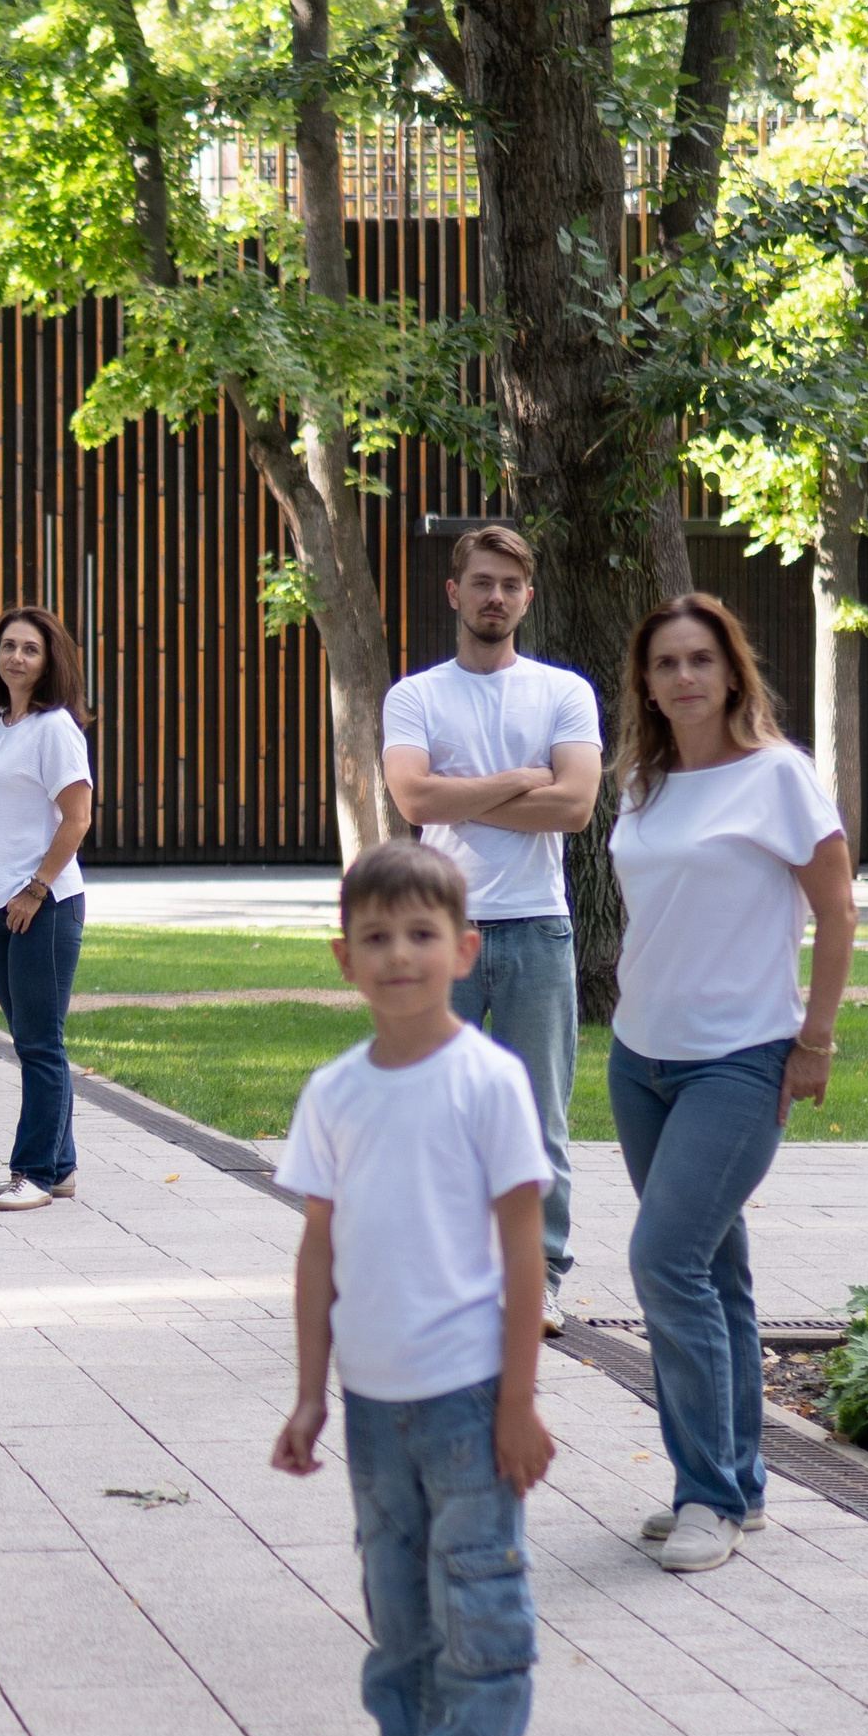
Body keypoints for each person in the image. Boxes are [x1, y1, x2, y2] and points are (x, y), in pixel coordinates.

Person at [271, 840, 555, 1736]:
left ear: (465, 948)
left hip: (469, 1401)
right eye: (377, 937)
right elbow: (317, 1249)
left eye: (421, 934)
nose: (399, 955)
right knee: (397, 1613)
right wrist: (309, 1391)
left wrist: (518, 1401)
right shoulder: (334, 1091)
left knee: (477, 1607)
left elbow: (523, 1245)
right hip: (372, 1404)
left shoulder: (488, 1079)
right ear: (344, 957)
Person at [607, 594, 854, 1572]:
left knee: (664, 1259)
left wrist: (816, 1039)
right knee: (715, 1272)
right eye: (664, 662)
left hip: (741, 1057)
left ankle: (703, 1492)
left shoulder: (778, 777)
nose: (682, 677)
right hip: (640, 1058)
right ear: (647, 682)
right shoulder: (642, 781)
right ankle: (738, 1484)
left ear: (731, 668)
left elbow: (835, 912)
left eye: (699, 658)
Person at [381, 524, 601, 1332]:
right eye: (481, 582)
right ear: (455, 592)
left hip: (538, 929)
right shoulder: (416, 696)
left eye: (510, 585)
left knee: (537, 1114)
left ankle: (535, 1278)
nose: (495, 597)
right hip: (441, 932)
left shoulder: (563, 692)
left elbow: (574, 806)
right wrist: (516, 781)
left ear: (527, 598)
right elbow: (413, 801)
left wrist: (459, 790)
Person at [0, 605, 94, 1212]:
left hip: (44, 904)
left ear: (50, 660)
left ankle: (34, 1173)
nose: (16, 657)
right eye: (8, 646)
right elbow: (1, 816)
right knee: (30, 1038)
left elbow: (77, 819)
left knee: (40, 1041)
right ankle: (59, 1166)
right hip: (2, 903)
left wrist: (35, 886)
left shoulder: (55, 728)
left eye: (30, 649)